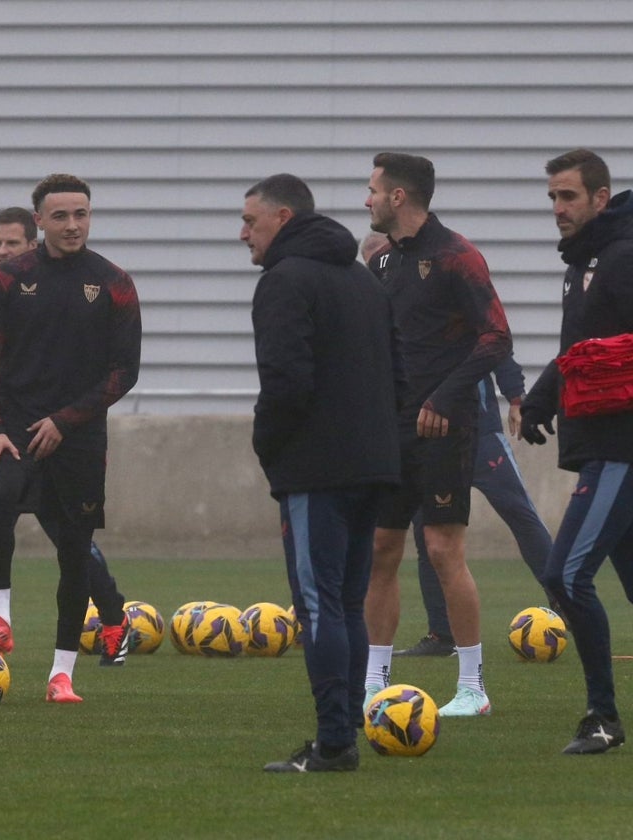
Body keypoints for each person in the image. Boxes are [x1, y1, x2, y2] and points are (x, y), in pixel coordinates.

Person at [244, 174, 401, 772]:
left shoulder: (284, 282)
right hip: (373, 466)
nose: (242, 234)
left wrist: (268, 447)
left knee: (317, 605)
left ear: (282, 218)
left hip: (319, 470)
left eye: (250, 221)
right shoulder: (361, 280)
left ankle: (335, 741)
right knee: (345, 601)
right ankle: (346, 733)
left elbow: (285, 383)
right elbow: (397, 372)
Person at [0, 174, 142, 702]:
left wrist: (66, 420)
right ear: (38, 221)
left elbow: (123, 372)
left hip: (79, 437)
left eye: (81, 214)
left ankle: (61, 675)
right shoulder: (8, 279)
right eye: (60, 216)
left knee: (73, 551)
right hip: (14, 427)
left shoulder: (114, 282)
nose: (72, 224)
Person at [362, 152, 512, 717]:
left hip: (446, 426)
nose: (367, 198)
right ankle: (375, 681)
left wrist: (445, 397)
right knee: (381, 549)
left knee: (443, 549)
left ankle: (472, 688)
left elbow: (497, 338)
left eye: (373, 189)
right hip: (390, 430)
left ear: (398, 197)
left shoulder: (457, 257)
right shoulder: (381, 267)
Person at [522, 148, 633, 754]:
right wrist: (543, 398)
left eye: (568, 197)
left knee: (565, 576)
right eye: (553, 199)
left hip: (620, 447)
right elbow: (581, 348)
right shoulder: (585, 261)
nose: (558, 209)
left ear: (600, 197)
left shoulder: (621, 256)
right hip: (601, 443)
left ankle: (602, 718)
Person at [399, 357, 555, 656]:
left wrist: (516, 398)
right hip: (429, 440)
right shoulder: (406, 318)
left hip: (481, 436)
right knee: (427, 535)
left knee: (520, 513)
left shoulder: (470, 312)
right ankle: (441, 636)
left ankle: (566, 602)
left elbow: (499, 348)